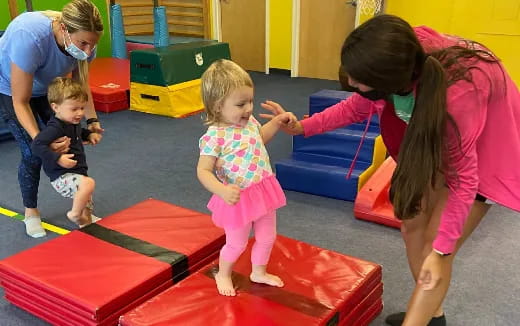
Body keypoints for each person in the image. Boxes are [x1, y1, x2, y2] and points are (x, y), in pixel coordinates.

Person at [261, 15, 520, 326]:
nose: (352, 84)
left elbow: (465, 179)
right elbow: (356, 106)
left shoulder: (458, 98)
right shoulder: (396, 62)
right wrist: (303, 127)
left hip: (480, 153)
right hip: (429, 144)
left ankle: (420, 319)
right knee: (412, 228)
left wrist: (440, 253)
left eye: (360, 80)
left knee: (436, 247)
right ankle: (432, 315)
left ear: (390, 80)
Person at [0, 0, 104, 237]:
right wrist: (42, 141)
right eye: (83, 44)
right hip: (9, 87)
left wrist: (92, 121)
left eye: (92, 44)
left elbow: (80, 86)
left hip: (48, 89)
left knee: (72, 140)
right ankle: (31, 212)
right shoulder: (30, 36)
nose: (88, 51)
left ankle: (83, 213)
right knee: (31, 152)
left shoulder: (86, 44)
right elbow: (21, 100)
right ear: (65, 29)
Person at [197, 59, 294, 296]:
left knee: (267, 237)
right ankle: (223, 273)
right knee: (237, 243)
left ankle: (258, 272)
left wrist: (275, 123)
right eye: (241, 104)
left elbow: (259, 138)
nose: (249, 108)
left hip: (262, 189)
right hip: (237, 198)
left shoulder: (249, 122)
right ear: (218, 106)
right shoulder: (215, 136)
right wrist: (221, 190)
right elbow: (203, 171)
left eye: (250, 100)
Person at [31, 77, 101, 227]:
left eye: (82, 108)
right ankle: (74, 214)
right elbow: (36, 145)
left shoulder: (71, 121)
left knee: (87, 202)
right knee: (88, 184)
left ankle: (84, 222)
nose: (80, 113)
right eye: (74, 109)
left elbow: (78, 131)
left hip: (78, 171)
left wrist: (89, 134)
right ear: (56, 107)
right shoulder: (54, 128)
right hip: (61, 176)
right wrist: (58, 158)